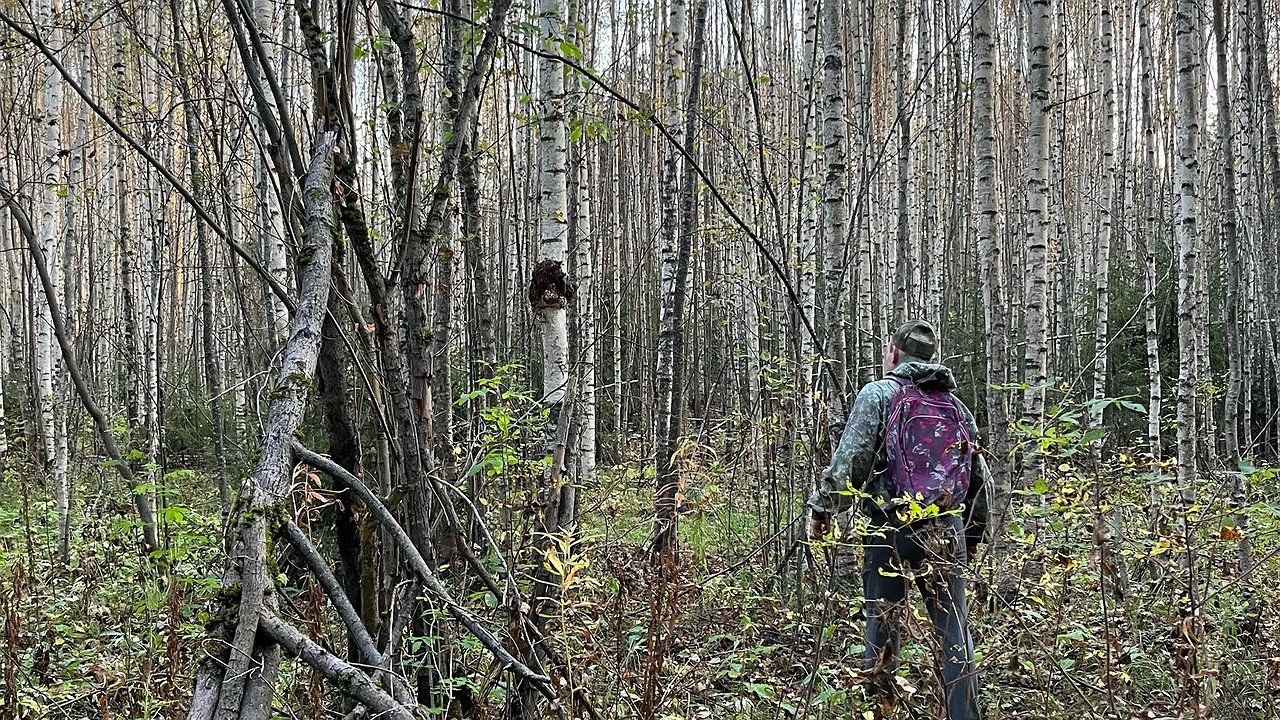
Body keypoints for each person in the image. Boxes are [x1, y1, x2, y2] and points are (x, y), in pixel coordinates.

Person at [808, 320, 990, 720]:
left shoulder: (878, 394)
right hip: (945, 529)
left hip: (889, 526)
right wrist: (972, 536)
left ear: (893, 354)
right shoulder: (957, 409)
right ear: (930, 359)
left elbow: (851, 460)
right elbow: (979, 480)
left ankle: (880, 708)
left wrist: (822, 508)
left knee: (883, 624)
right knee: (954, 630)